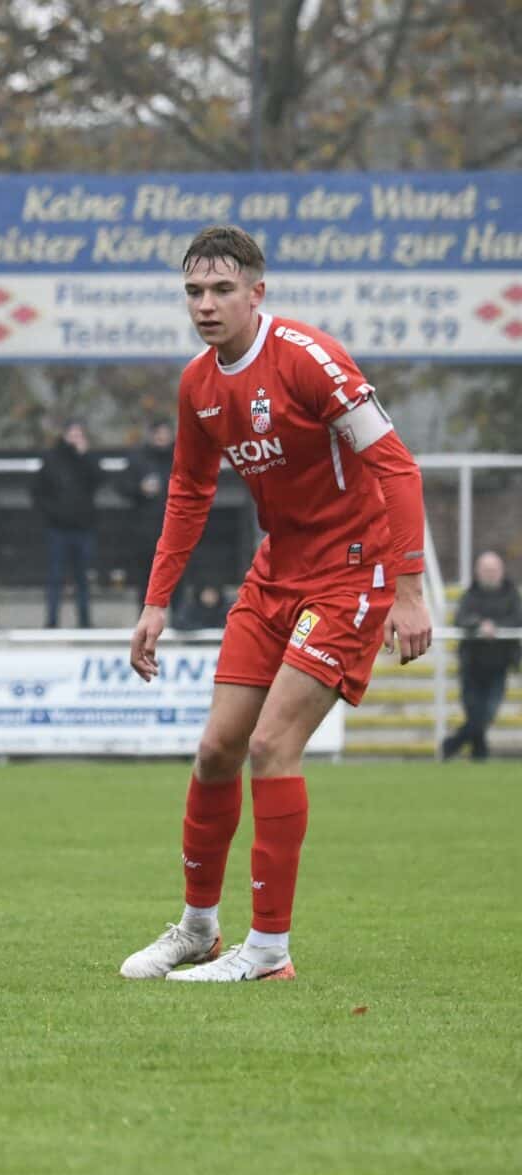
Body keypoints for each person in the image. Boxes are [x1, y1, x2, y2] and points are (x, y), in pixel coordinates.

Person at [121, 224, 430, 984]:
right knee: (217, 749)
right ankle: (198, 928)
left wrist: (410, 588)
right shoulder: (199, 384)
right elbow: (190, 493)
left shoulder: (308, 360)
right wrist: (156, 602)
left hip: (351, 574)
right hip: (276, 573)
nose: (206, 304)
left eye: (222, 289)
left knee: (270, 747)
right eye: (194, 291)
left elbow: (396, 466)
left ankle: (267, 951)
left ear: (257, 293)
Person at [443, 550, 521, 761]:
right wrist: (479, 625)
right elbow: (461, 619)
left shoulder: (511, 595)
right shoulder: (470, 595)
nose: (490, 574)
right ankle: (480, 754)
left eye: (493, 569)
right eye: (486, 570)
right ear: (478, 572)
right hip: (472, 665)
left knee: (486, 714)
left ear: (501, 571)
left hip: (499, 666)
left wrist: (495, 628)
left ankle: (451, 745)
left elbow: (517, 620)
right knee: (474, 713)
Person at [37, 417, 99, 629]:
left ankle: (84, 621)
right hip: (58, 529)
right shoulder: (52, 459)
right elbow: (38, 491)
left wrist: (85, 456)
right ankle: (51, 621)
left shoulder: (87, 459)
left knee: (83, 578)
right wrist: (51, 514)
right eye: (72, 434)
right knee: (55, 577)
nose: (75, 439)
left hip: (84, 528)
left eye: (79, 434)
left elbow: (99, 480)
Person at [121, 419, 173, 606]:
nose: (162, 438)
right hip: (146, 530)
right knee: (146, 578)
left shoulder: (180, 457)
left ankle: (178, 622)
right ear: (151, 436)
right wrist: (140, 489)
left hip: (175, 528)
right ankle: (144, 621)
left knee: (177, 577)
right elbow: (121, 486)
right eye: (158, 434)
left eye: (165, 433)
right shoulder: (138, 458)